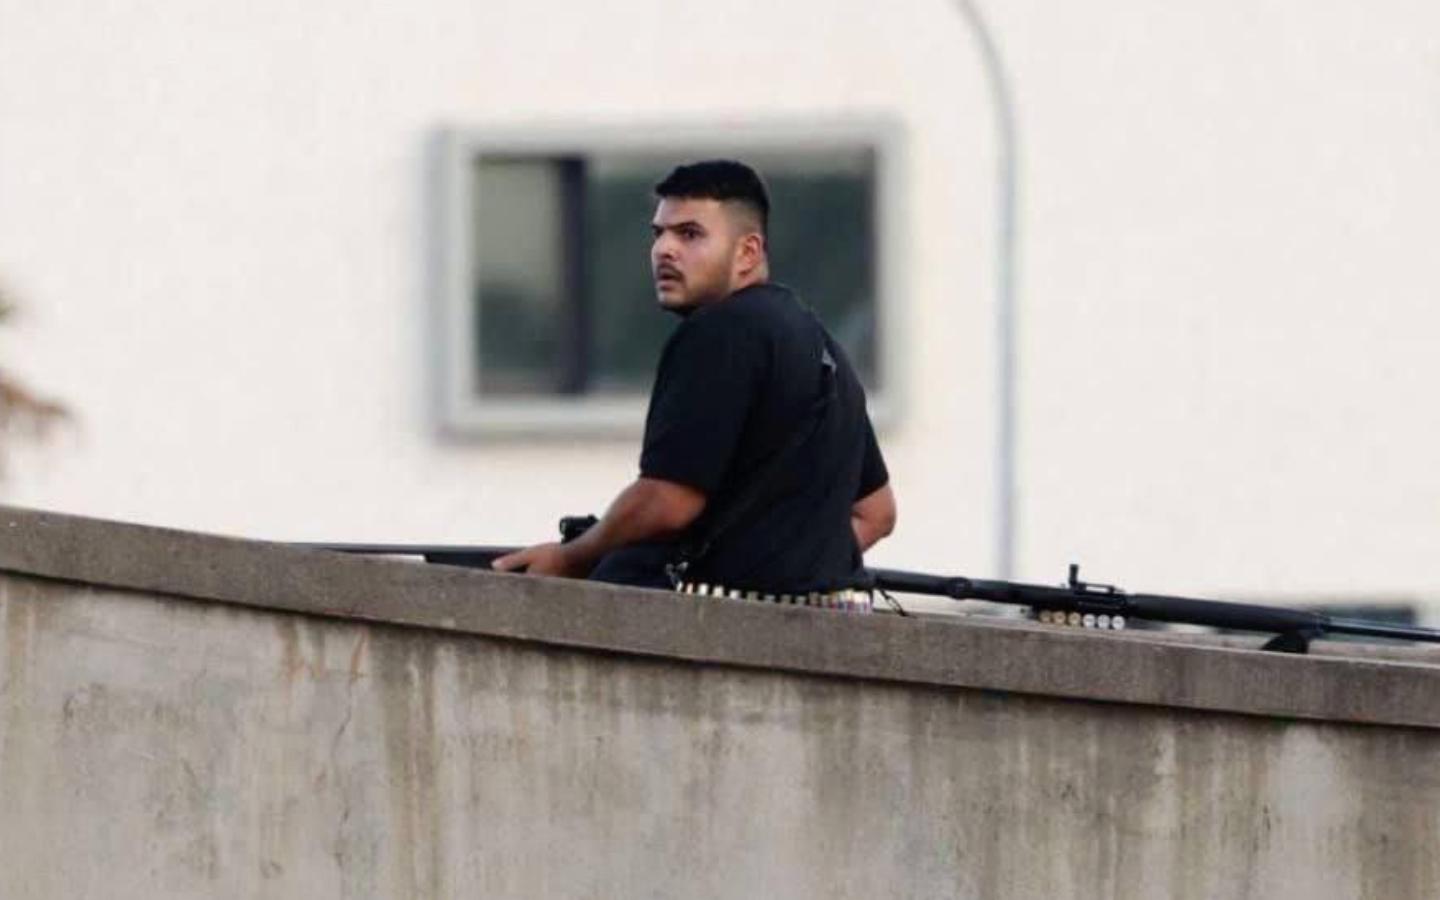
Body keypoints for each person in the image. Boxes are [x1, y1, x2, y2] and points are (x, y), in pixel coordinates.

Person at [493, 160, 896, 606]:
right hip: (838, 629)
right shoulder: (822, 345)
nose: (665, 249)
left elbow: (668, 500)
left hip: (729, 642)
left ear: (748, 251)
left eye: (689, 234)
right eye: (658, 233)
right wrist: (792, 573)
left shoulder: (721, 331)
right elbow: (876, 514)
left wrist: (575, 557)